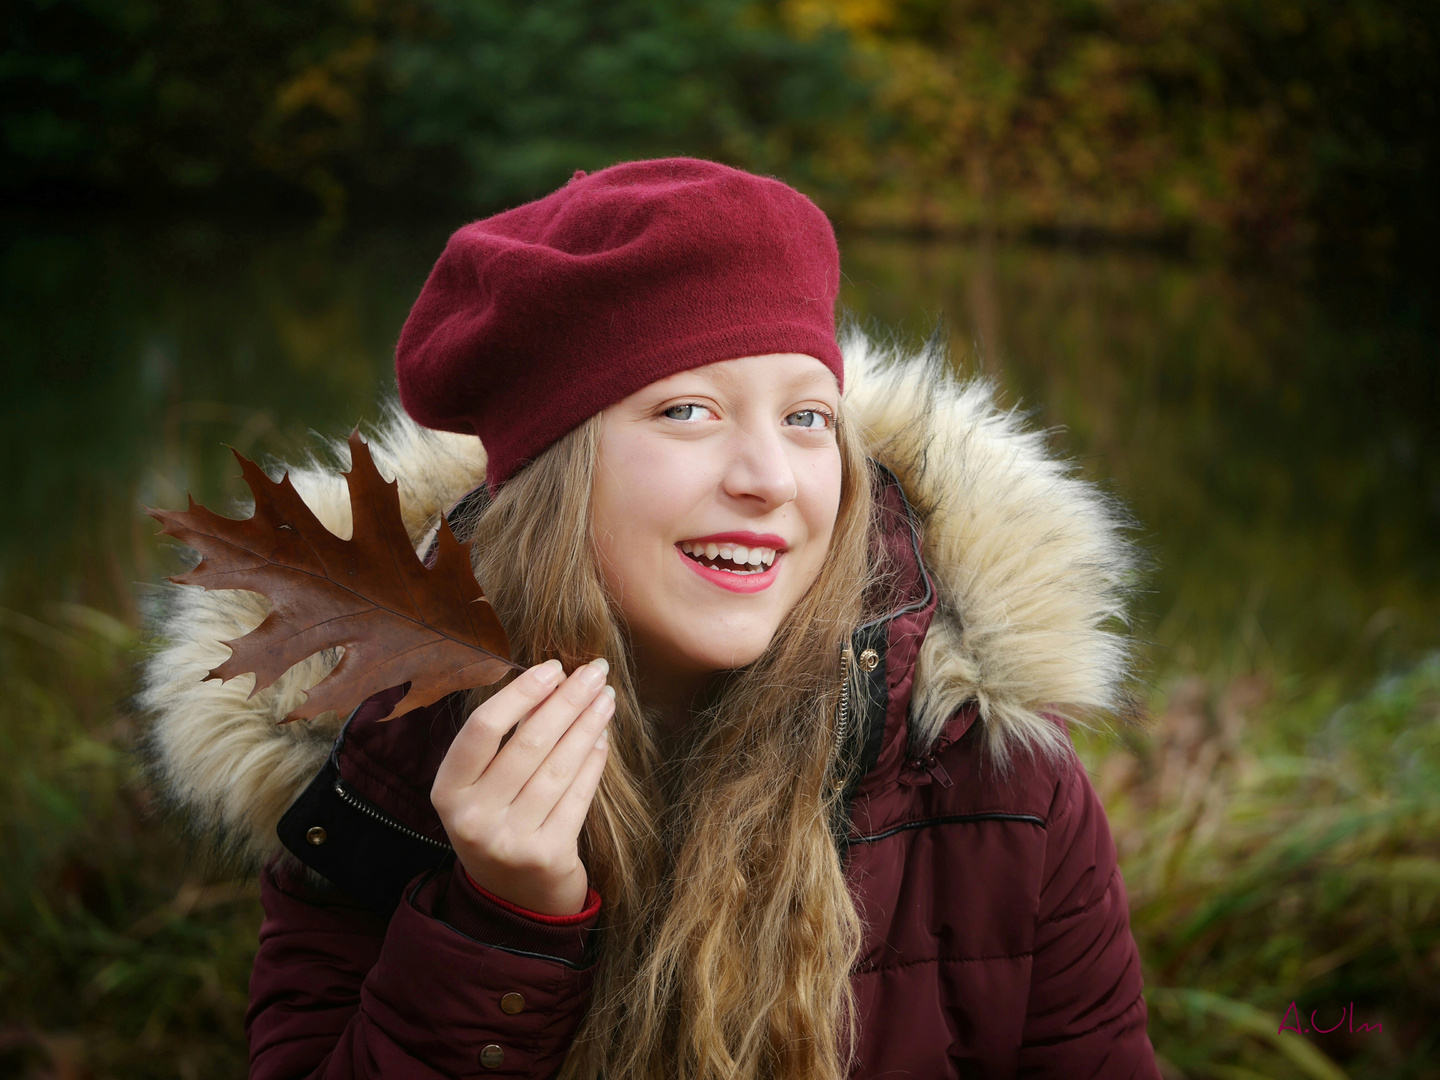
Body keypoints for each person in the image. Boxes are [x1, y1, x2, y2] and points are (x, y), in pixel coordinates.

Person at [140, 158, 1160, 1079]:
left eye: (807, 417)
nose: (771, 480)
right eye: (687, 412)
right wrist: (498, 920)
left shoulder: (995, 777)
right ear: (554, 484)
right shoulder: (382, 761)